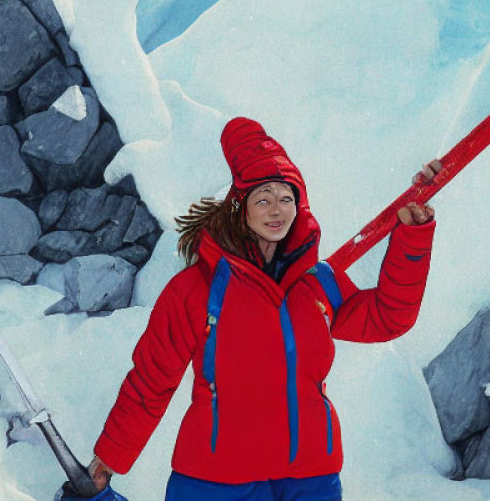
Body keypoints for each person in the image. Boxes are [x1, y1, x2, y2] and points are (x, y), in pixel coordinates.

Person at [88, 117, 439, 500]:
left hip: (311, 477)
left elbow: (388, 317)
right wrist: (109, 460)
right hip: (217, 480)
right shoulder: (196, 290)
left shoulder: (318, 284)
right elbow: (151, 382)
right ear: (240, 207)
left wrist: (412, 237)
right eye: (264, 198)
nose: (277, 210)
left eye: (286, 198)